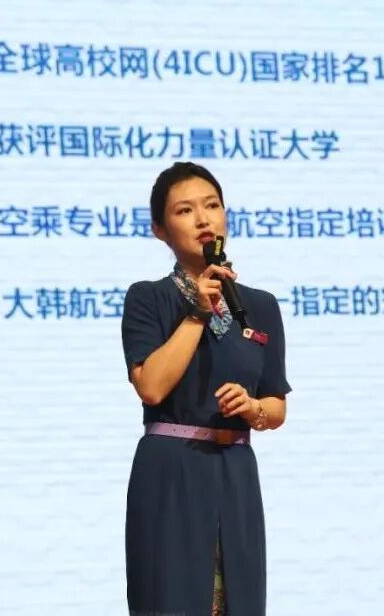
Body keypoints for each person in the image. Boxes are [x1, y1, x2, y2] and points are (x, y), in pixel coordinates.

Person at [122, 162, 291, 615]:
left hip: (235, 470)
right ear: (160, 230)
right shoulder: (149, 298)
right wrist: (197, 312)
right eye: (185, 210)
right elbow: (151, 388)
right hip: (171, 471)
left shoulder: (260, 306)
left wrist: (252, 407)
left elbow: (276, 406)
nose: (203, 219)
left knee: (238, 597)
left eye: (212, 206)